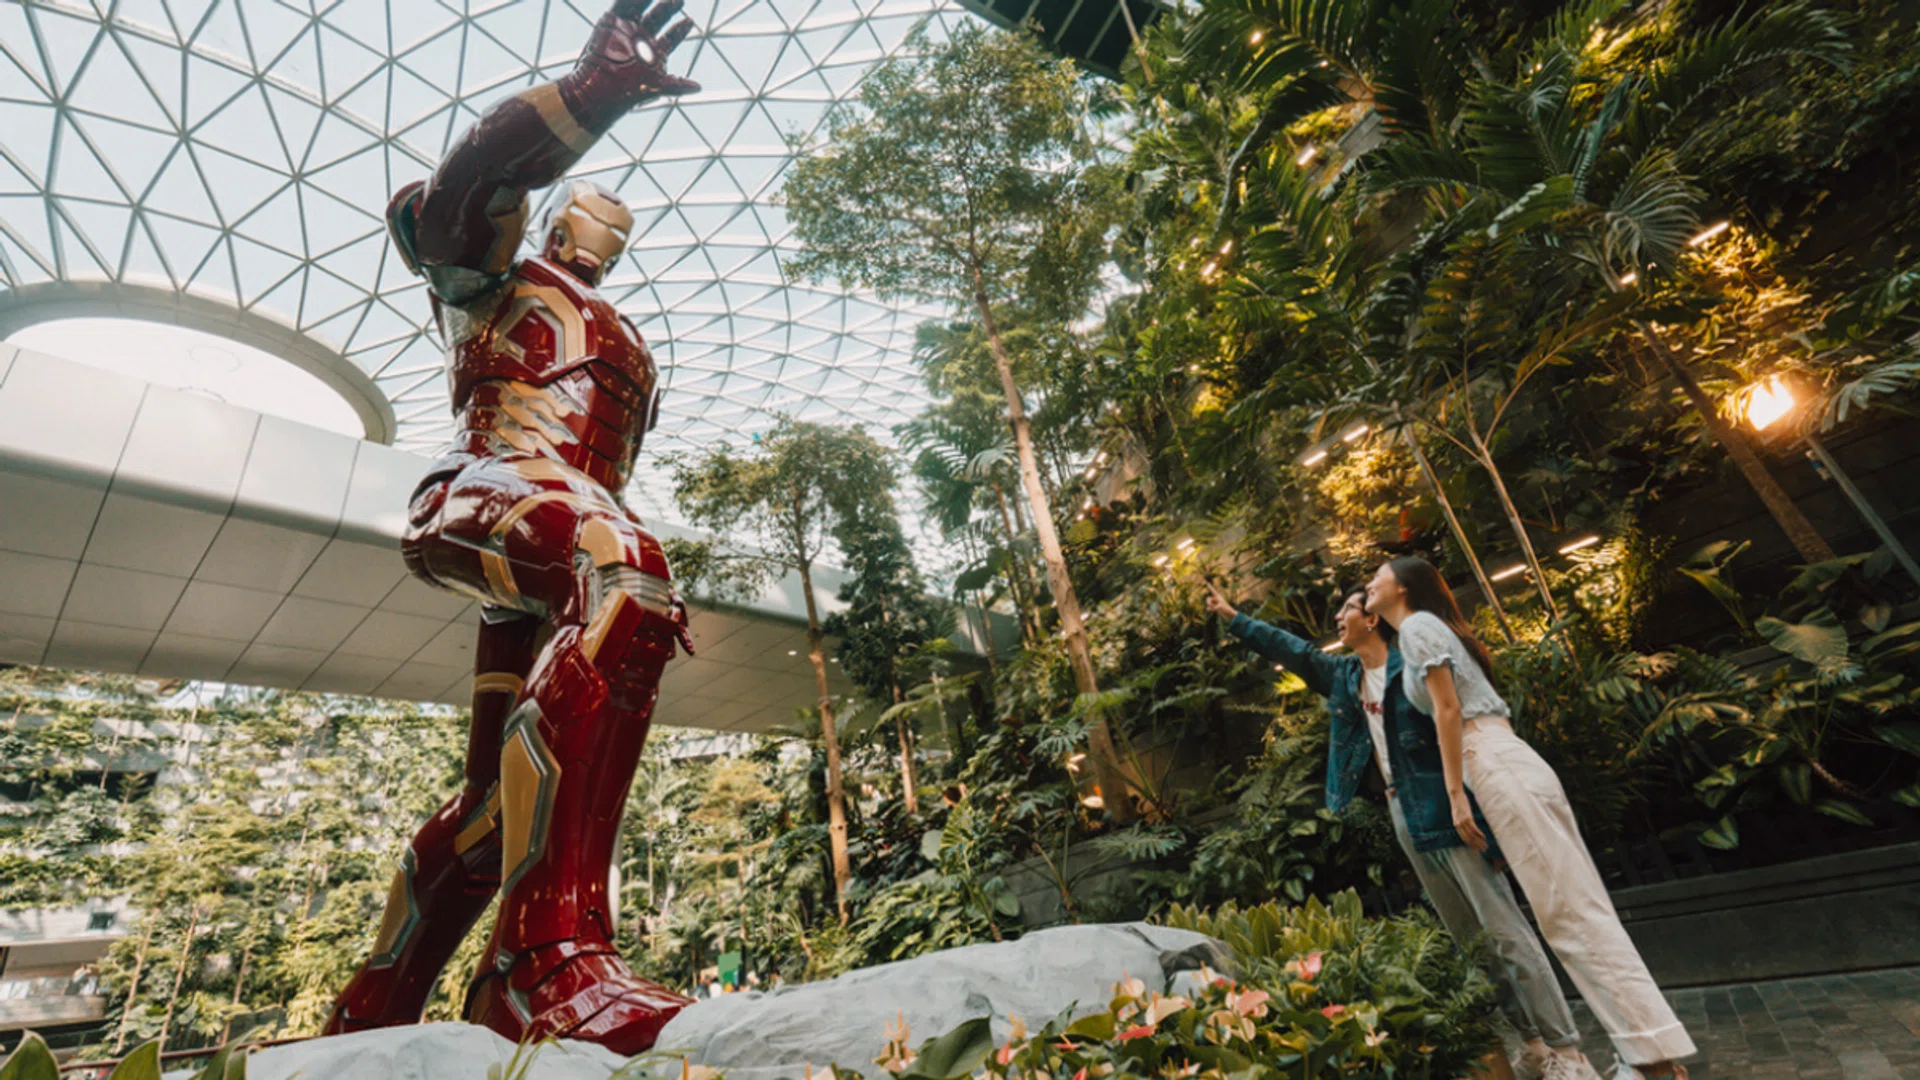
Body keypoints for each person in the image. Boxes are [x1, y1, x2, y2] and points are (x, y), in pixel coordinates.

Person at [323, 0, 703, 1055]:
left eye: (620, 228)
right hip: (490, 488)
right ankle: (542, 962)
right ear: (553, 219)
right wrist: (589, 95)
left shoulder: (622, 334)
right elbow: (464, 193)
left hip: (547, 532)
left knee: (492, 805)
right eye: (588, 211)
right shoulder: (491, 278)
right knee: (623, 572)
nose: (604, 230)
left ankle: (371, 1007)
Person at [1206, 582, 1600, 1080]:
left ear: (1371, 620)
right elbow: (1293, 651)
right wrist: (1233, 617)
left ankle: (1569, 1052)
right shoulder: (1346, 676)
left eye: (1347, 610)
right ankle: (1532, 1044)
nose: (1337, 621)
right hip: (1400, 810)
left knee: (1505, 931)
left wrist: (1485, 822)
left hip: (1444, 802)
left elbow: (1458, 736)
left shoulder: (1410, 667)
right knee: (1469, 940)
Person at [1364, 558, 1695, 1080]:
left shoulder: (1421, 626)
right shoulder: (1417, 633)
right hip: (1494, 763)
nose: (1368, 584)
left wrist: (1455, 796)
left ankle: (1652, 1060)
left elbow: (1449, 710)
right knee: (1569, 909)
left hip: (1490, 760)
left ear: (1403, 586)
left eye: (1375, 576)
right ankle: (1653, 1057)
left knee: (1569, 912)